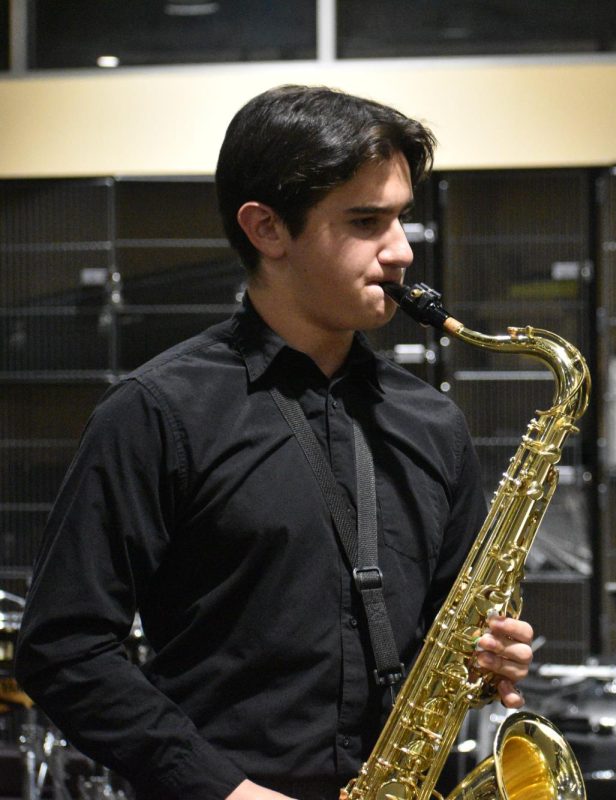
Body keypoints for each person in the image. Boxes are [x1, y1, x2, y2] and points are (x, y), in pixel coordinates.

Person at [14, 85, 536, 800]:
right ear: (266, 229)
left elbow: (452, 632)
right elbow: (64, 650)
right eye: (365, 221)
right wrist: (227, 791)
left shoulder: (431, 423)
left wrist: (487, 653)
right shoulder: (156, 411)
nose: (402, 251)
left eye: (401, 219)